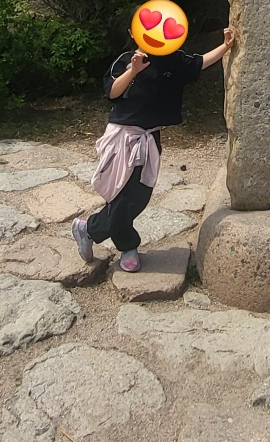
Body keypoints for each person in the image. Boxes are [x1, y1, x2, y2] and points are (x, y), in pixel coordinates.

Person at [74, 16, 233, 272]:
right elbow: (112, 92)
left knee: (139, 196)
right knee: (124, 196)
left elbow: (200, 63)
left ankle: (88, 230)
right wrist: (134, 71)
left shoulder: (173, 58)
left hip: (150, 137)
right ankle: (124, 244)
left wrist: (225, 46)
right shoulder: (126, 60)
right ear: (132, 33)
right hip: (123, 136)